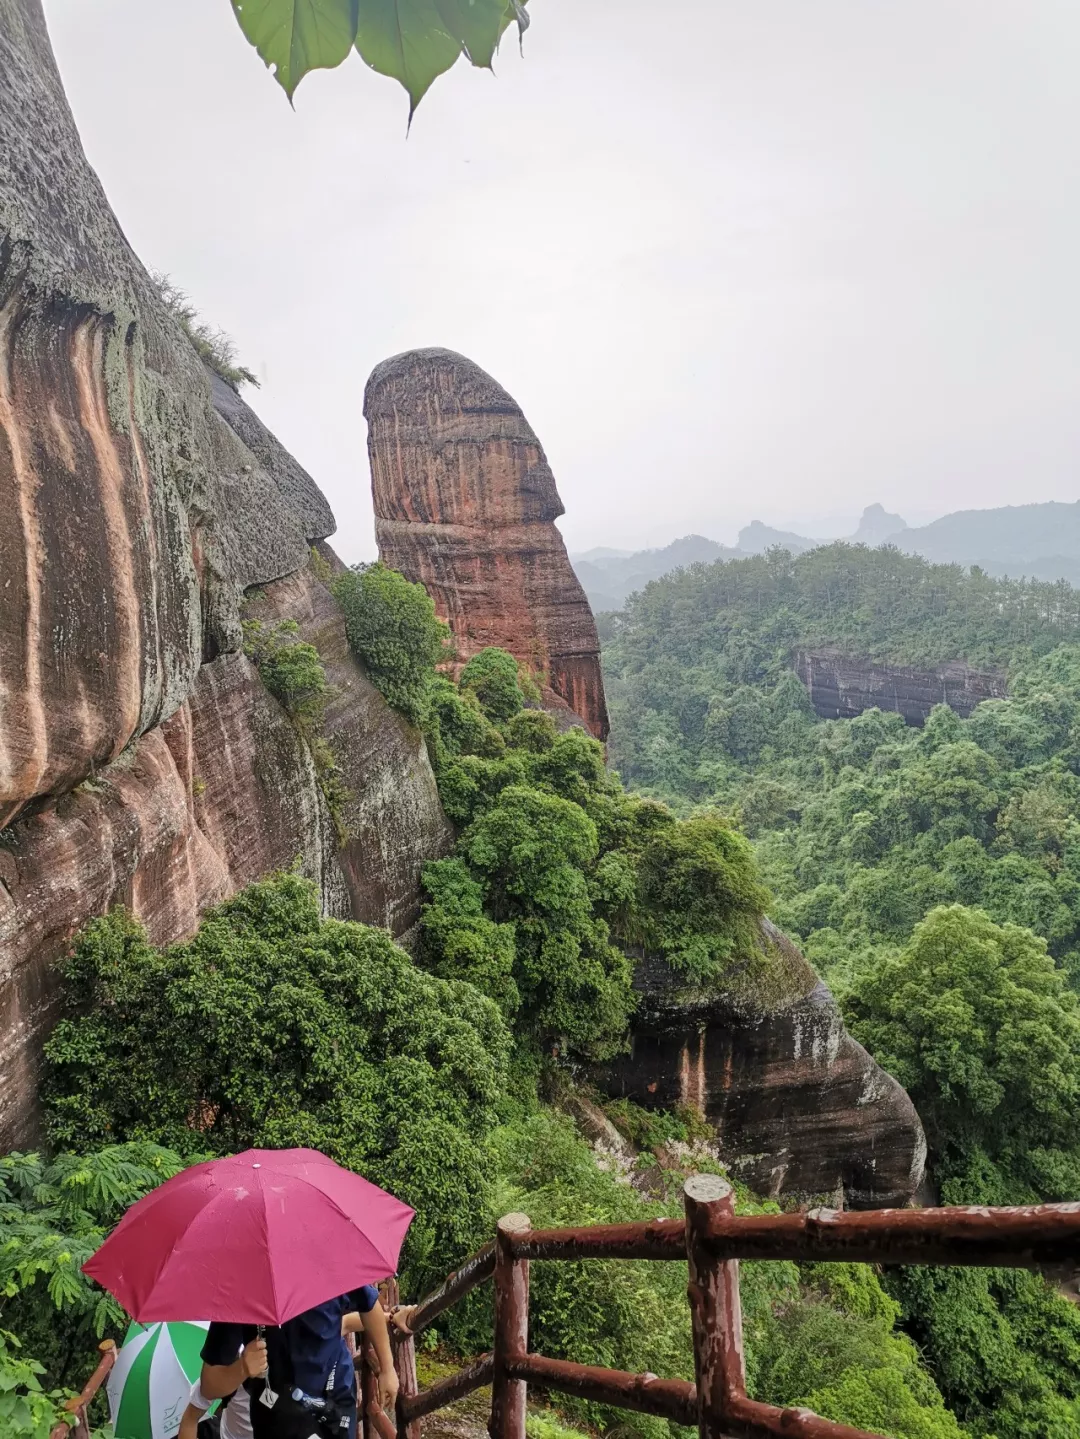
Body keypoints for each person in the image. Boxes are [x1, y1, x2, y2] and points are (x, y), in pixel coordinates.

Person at [198, 1288, 397, 1439]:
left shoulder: (329, 1259)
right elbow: (209, 1385)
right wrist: (241, 1368)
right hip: (276, 1416)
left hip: (336, 1398)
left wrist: (387, 1368)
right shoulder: (241, 1289)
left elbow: (369, 1305)